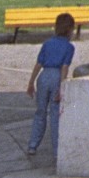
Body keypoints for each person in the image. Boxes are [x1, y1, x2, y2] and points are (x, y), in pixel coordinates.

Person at [26, 11, 76, 157]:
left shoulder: (47, 43)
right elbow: (65, 67)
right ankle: (56, 150)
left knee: (40, 112)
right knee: (55, 114)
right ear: (69, 30)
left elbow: (38, 64)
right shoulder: (69, 47)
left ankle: (32, 145)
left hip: (43, 76)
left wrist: (31, 82)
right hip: (56, 76)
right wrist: (61, 87)